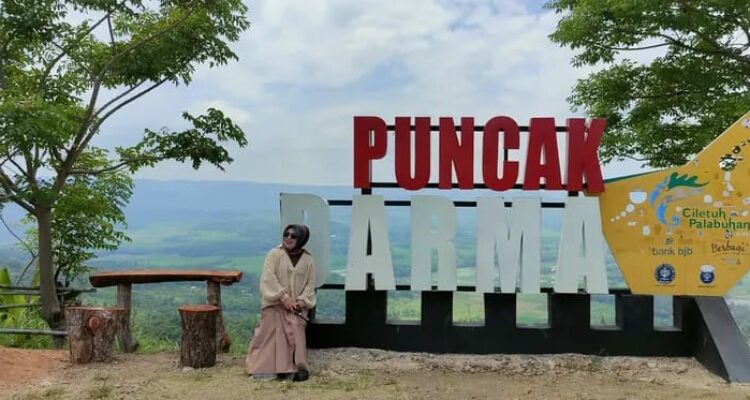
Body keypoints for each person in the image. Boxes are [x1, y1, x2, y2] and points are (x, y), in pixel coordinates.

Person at [245, 224, 316, 381]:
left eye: (293, 236)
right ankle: (265, 368)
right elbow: (268, 278)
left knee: (295, 329)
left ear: (301, 239)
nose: (288, 238)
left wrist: (301, 301)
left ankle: (295, 368)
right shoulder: (274, 254)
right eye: (286, 234)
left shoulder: (308, 260)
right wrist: (283, 297)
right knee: (270, 331)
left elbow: (310, 285)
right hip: (274, 303)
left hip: (296, 307)